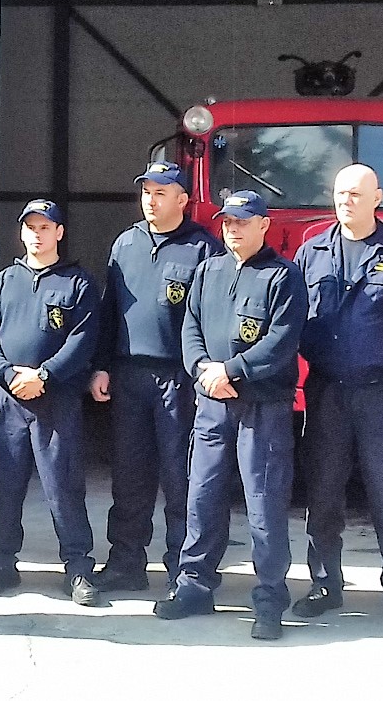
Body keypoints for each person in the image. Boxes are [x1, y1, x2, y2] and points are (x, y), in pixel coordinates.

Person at [291, 163, 383, 631]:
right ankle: (324, 584)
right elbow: (295, 317)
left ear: (378, 197)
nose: (345, 200)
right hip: (327, 390)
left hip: (382, 394)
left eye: (355, 193)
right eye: (339, 193)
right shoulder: (312, 252)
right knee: (323, 491)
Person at [157, 191, 306, 639]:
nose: (232, 229)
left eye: (242, 222)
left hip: (262, 408)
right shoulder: (209, 270)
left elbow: (282, 340)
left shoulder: (284, 276)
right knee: (200, 497)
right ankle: (194, 587)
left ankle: (269, 599)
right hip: (212, 405)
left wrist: (232, 370)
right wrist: (203, 369)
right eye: (227, 222)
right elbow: (191, 328)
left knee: (264, 505)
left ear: (264, 224)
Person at [89, 160, 222, 592]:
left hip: (179, 380)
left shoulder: (203, 249)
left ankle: (184, 570)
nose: (150, 199)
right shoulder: (125, 244)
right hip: (129, 377)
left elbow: (211, 320)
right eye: (146, 191)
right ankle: (126, 563)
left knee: (181, 479)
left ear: (182, 199)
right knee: (129, 477)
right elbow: (108, 312)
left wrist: (203, 375)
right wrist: (101, 364)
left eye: (161, 192)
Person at [0, 198, 101, 606]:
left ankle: (79, 570)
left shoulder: (78, 283)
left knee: (63, 488)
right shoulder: (4, 281)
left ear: (59, 233)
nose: (37, 233)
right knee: (6, 487)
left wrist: (44, 375)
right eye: (30, 226)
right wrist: (9, 375)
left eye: (45, 227)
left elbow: (82, 342)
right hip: (8, 400)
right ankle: (2, 566)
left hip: (55, 400)